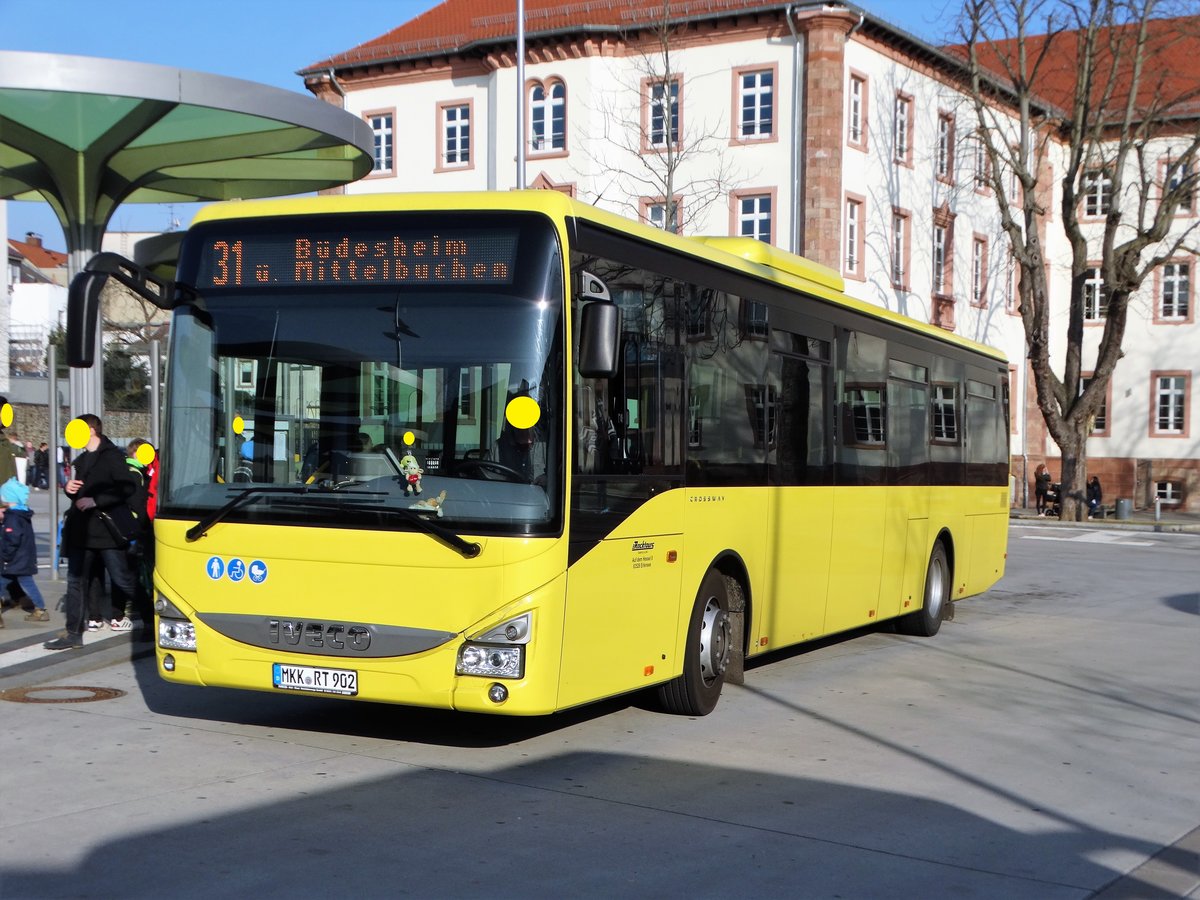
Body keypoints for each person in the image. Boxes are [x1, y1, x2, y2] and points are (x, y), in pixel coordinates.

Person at [44, 415, 141, 651]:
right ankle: (73, 634)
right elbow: (79, 493)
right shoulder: (82, 460)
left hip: (106, 530)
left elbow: (127, 487)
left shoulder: (112, 456)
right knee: (76, 582)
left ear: (90, 430)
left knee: (122, 579)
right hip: (82, 530)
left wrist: (96, 500)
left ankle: (150, 617)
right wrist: (69, 489)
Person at [1, 476, 50, 623]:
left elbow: (12, 539)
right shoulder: (21, 514)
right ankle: (39, 608)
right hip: (23, 559)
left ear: (8, 497)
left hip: (15, 560)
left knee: (18, 583)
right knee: (26, 583)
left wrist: (5, 555)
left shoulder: (12, 518)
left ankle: (40, 610)